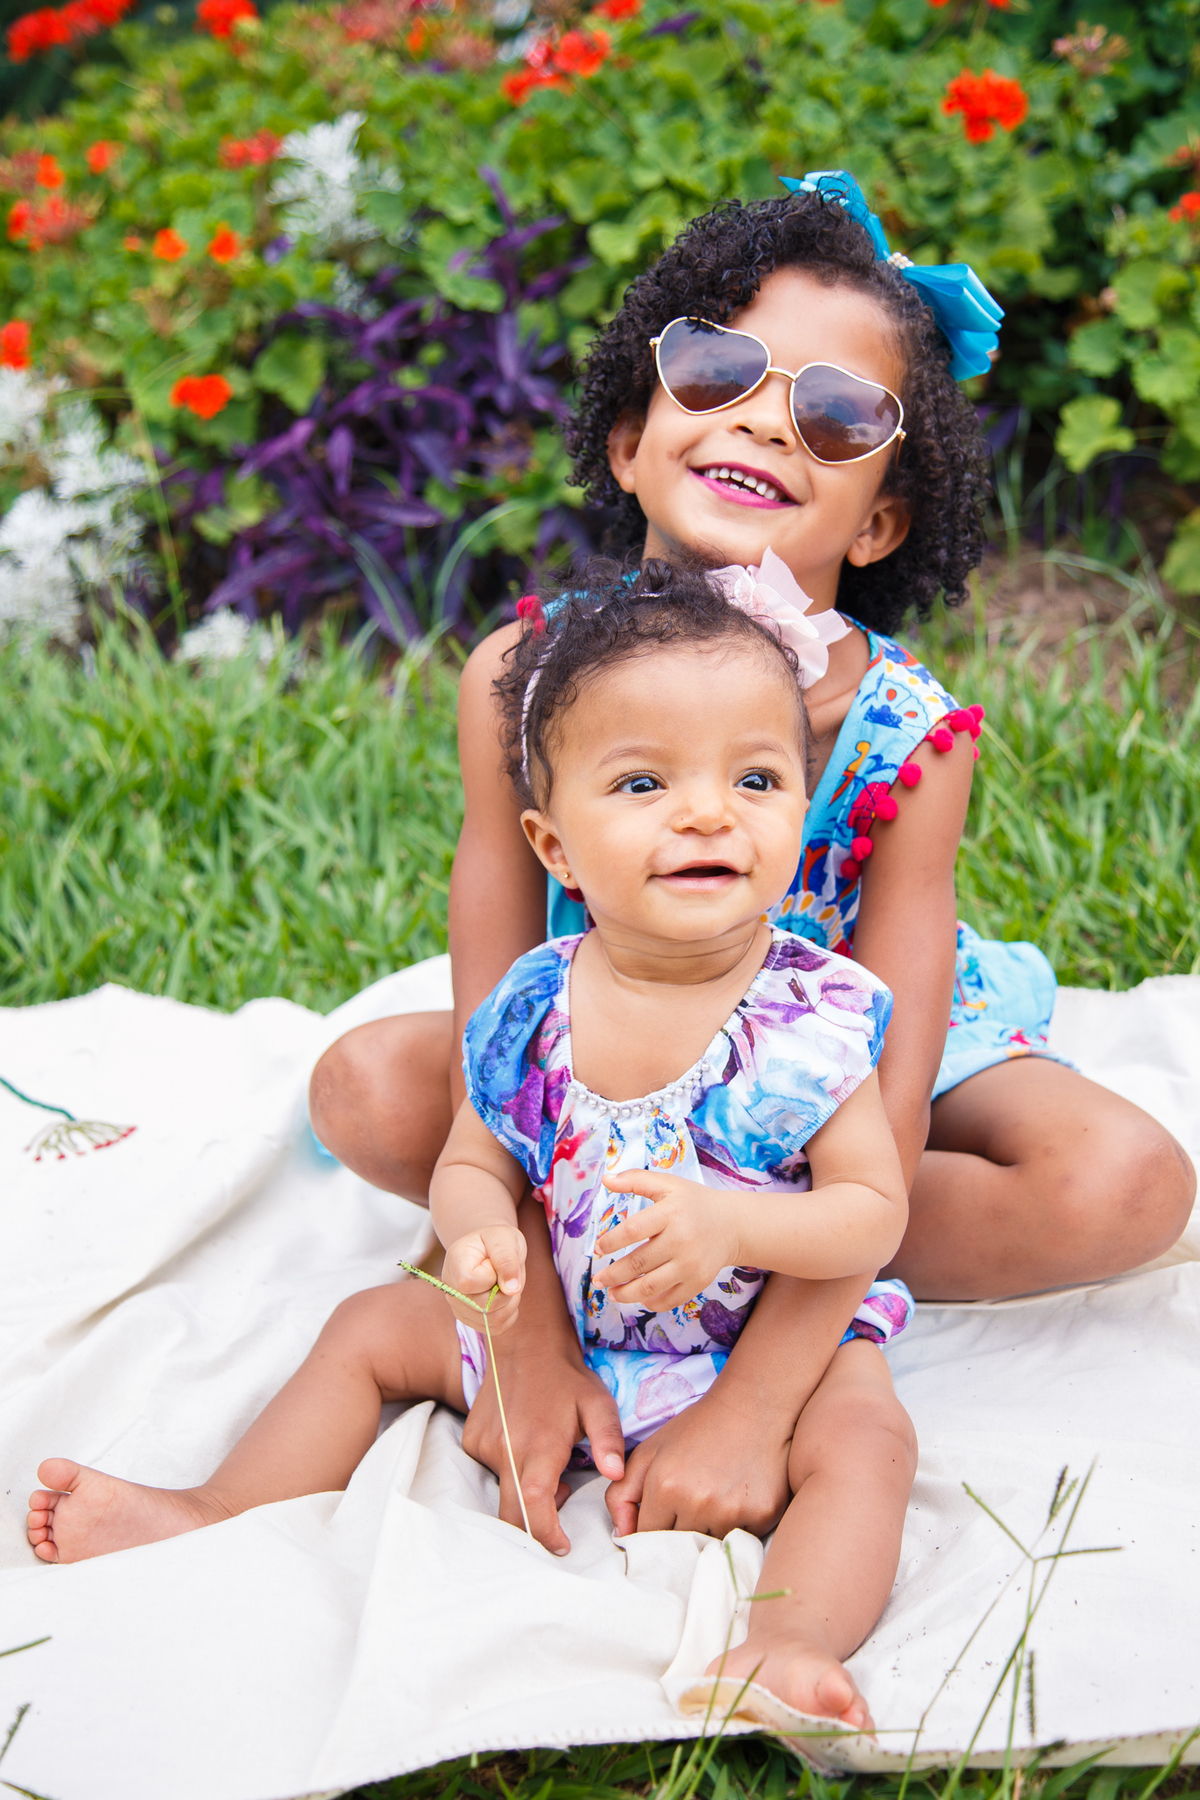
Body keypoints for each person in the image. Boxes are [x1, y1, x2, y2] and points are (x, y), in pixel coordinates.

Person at [308, 172, 1194, 1555]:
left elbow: (890, 1089)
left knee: (1128, 1183)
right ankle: (643, 1230)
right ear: (629, 436)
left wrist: (761, 1393)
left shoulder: (908, 733)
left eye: (838, 414)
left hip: (846, 1059)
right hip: (610, 1018)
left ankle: (757, 1238)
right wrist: (525, 1326)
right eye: (718, 369)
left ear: (881, 521)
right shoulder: (518, 678)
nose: (767, 417)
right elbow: (498, 1039)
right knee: (364, 1088)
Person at [28, 570, 918, 1731]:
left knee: (868, 1439)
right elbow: (471, 1158)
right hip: (580, 1329)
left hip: (750, 1331)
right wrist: (486, 1238)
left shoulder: (814, 1013)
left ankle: (789, 1639)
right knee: (367, 1330)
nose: (709, 813)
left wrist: (737, 1225)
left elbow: (869, 1212)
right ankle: (213, 1508)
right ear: (555, 846)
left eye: (755, 779)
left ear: (800, 810)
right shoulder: (532, 1004)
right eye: (645, 783)